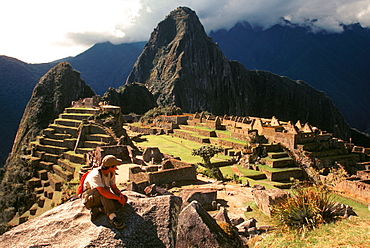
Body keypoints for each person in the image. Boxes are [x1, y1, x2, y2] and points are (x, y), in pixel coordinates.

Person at [82, 155, 127, 229]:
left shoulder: (111, 173)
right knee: (104, 193)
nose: (116, 168)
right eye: (115, 166)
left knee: (124, 199)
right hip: (90, 199)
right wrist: (117, 198)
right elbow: (102, 191)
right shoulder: (96, 174)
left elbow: (114, 187)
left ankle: (99, 210)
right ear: (110, 167)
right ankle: (112, 218)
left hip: (102, 197)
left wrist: (121, 197)